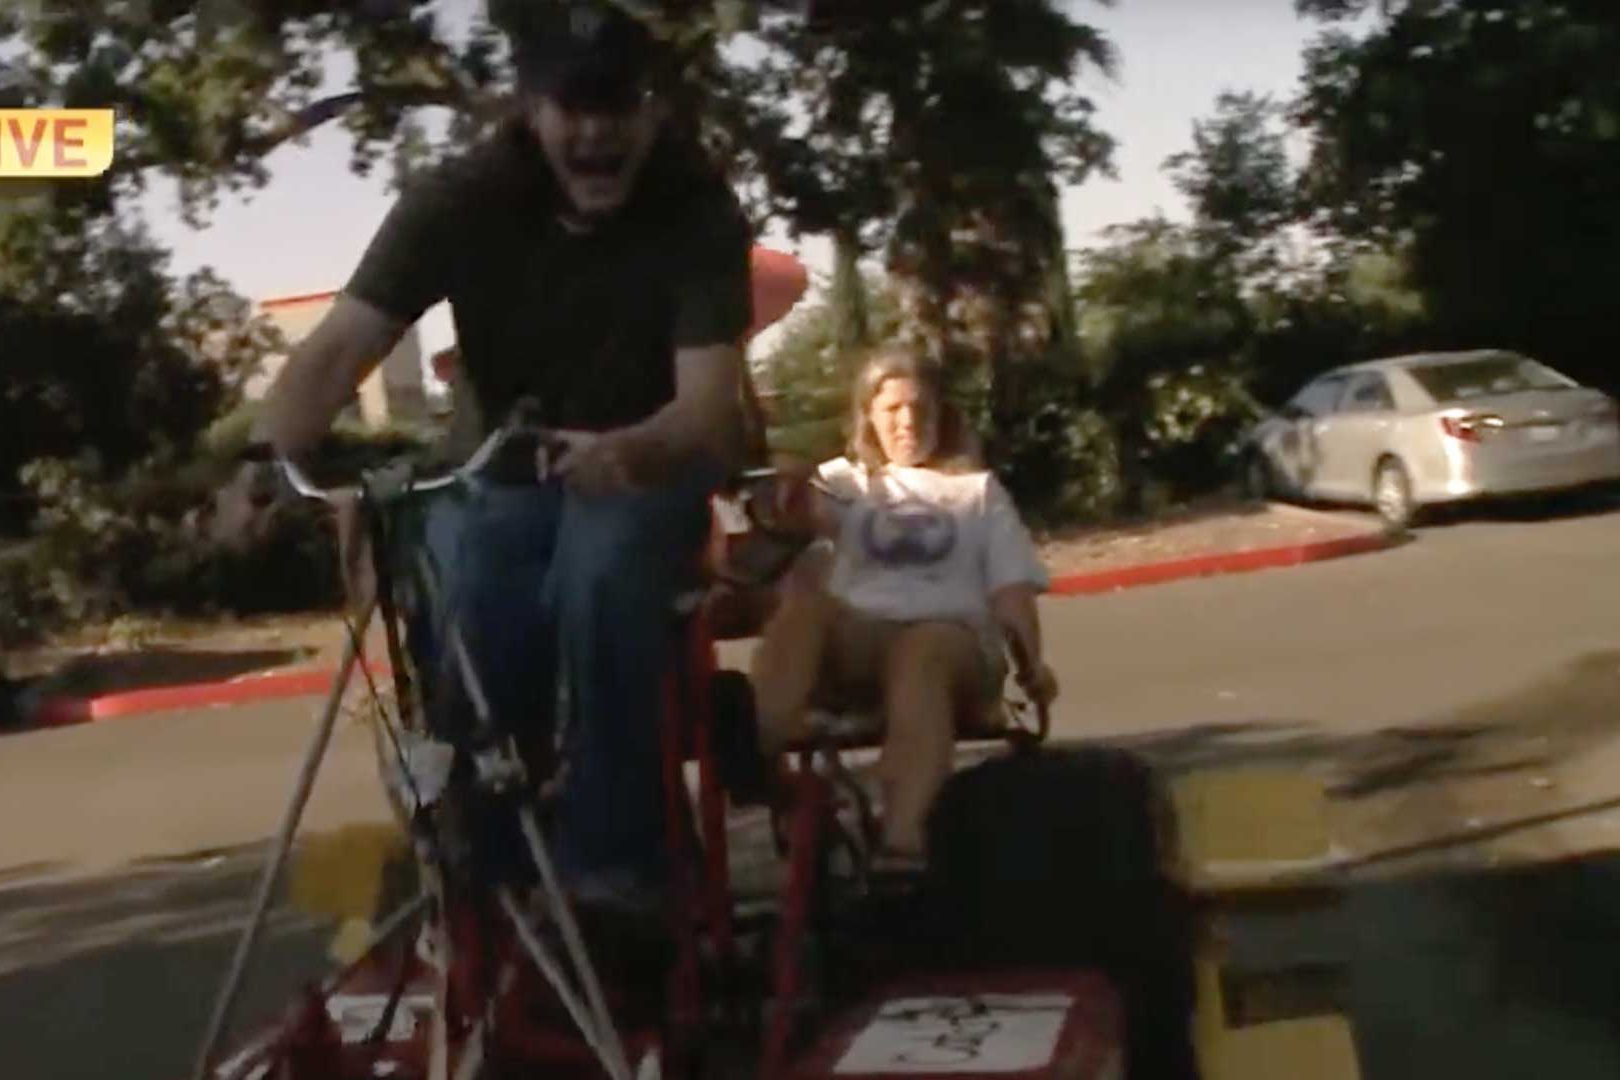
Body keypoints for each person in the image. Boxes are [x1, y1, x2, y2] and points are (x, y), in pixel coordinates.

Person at [256, 0, 755, 915]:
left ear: (651, 113)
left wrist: (637, 447)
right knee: (468, 587)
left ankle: (617, 861)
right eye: (576, 108)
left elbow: (709, 408)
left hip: (648, 459)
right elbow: (337, 351)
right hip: (501, 468)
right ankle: (488, 857)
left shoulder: (696, 211)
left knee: (597, 575)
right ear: (532, 111)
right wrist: (260, 459)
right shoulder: (458, 202)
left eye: (619, 107)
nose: (599, 131)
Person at [748, 345, 1061, 875]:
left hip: (955, 648)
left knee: (923, 647)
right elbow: (789, 511)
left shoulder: (977, 491)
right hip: (862, 644)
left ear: (942, 415)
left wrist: (1031, 668)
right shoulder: (849, 482)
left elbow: (1011, 593)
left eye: (921, 408)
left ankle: (903, 836)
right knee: (806, 609)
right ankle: (769, 768)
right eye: (893, 409)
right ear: (868, 417)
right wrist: (781, 487)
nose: (908, 421)